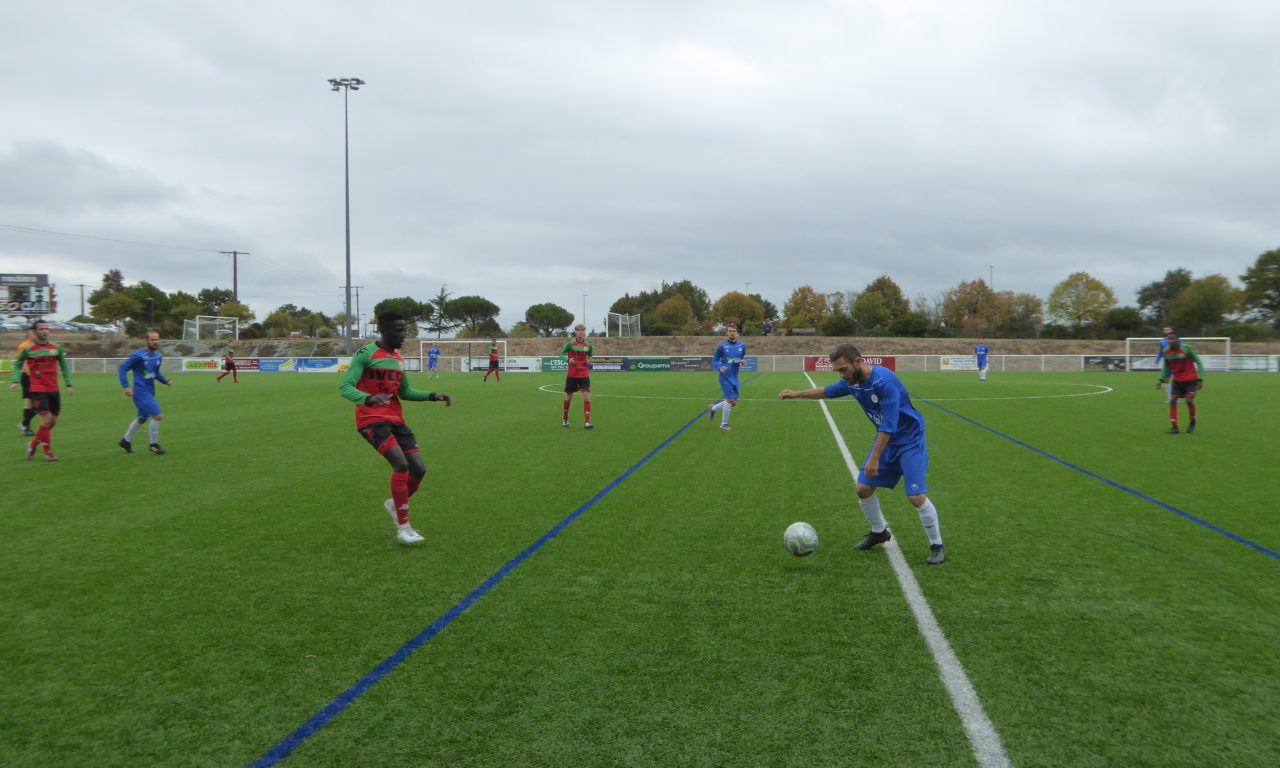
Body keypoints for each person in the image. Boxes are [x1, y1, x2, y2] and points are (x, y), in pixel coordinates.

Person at [779, 342, 946, 565]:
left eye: (842, 369)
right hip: (886, 441)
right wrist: (795, 394)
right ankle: (879, 532)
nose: (841, 375)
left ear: (858, 362)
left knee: (915, 496)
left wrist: (874, 458)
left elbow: (889, 426)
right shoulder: (853, 382)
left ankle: (937, 545)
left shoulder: (884, 381)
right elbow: (826, 392)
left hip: (909, 440)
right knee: (863, 488)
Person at [339, 311, 452, 545]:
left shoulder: (399, 359)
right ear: (382, 330)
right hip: (371, 419)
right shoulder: (366, 354)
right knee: (400, 464)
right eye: (398, 330)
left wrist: (433, 395)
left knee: (419, 469)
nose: (403, 335)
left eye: (404, 330)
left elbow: (405, 392)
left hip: (396, 419)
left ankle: (394, 504)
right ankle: (404, 527)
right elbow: (345, 387)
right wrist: (368, 399)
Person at [8, 319, 73, 461]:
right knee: (46, 419)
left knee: (52, 421)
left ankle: (32, 445)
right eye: (41, 329)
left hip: (53, 388)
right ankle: (47, 451)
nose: (44, 331)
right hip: (37, 389)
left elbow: (64, 365)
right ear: (35, 331)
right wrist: (15, 380)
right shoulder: (28, 349)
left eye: (46, 328)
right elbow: (18, 365)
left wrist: (68, 383)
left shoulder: (56, 348)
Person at [117, 330, 173, 454]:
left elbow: (155, 373)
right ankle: (153, 444)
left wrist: (165, 380)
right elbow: (122, 368)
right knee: (158, 416)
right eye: (152, 340)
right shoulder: (139, 356)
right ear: (146, 341)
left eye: (157, 339)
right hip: (140, 391)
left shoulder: (158, 356)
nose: (155, 342)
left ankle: (125, 441)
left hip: (150, 390)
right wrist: (125, 386)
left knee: (142, 418)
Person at [1156, 333, 1204, 434]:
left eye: (1173, 339)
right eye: (1169, 339)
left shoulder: (1186, 349)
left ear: (1178, 340)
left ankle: (1192, 421)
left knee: (1189, 400)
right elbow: (1166, 366)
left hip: (1190, 379)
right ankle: (1174, 427)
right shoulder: (1166, 351)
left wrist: (1200, 379)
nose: (1171, 341)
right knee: (1173, 400)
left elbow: (1198, 362)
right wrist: (1161, 379)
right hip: (1177, 380)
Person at [707, 323, 746, 431]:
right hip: (725, 377)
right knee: (730, 400)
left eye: (734, 331)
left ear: (737, 333)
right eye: (730, 331)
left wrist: (742, 361)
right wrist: (720, 367)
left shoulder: (742, 345)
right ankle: (724, 424)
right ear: (726, 333)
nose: (732, 333)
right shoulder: (722, 347)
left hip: (735, 377)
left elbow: (741, 357)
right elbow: (714, 360)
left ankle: (713, 408)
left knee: (732, 402)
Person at [559, 323, 594, 429]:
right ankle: (565, 419)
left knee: (587, 398)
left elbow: (591, 355)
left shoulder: (588, 345)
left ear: (584, 332)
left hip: (584, 373)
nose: (580, 333)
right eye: (578, 331)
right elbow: (561, 354)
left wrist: (589, 360)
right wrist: (568, 360)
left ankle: (587, 422)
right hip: (572, 374)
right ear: (575, 332)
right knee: (568, 398)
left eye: (582, 331)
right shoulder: (570, 344)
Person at [14, 325, 37, 436]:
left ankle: (24, 425)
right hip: (28, 377)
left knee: (38, 404)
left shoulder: (38, 345)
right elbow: (23, 363)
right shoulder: (24, 346)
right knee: (30, 402)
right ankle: (26, 427)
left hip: (38, 377)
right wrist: (32, 376)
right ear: (30, 333)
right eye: (34, 333)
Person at [1154, 325, 1174, 403]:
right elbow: (1160, 353)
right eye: (1165, 330)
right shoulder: (1162, 341)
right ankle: (1170, 398)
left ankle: (1179, 396)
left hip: (1178, 363)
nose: (1166, 332)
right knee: (1166, 380)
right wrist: (1156, 362)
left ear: (1171, 330)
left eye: (1168, 330)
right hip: (1168, 364)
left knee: (1180, 380)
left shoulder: (1178, 340)